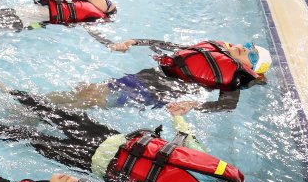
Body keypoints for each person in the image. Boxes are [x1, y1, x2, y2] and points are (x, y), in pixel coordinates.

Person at [0, 72, 277, 182]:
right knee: (53, 112)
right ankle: (6, 91)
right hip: (112, 139)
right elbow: (187, 139)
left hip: (92, 162)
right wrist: (176, 115)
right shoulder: (216, 168)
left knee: (32, 138)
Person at [46, 38, 272, 113]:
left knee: (91, 98)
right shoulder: (215, 49)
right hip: (148, 77)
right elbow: (173, 47)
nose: (247, 49)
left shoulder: (233, 81)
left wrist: (193, 105)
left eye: (252, 55)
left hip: (155, 92)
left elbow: (226, 106)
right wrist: (135, 42)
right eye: (250, 46)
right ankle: (39, 106)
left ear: (250, 70)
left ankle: (37, 109)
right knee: (83, 92)